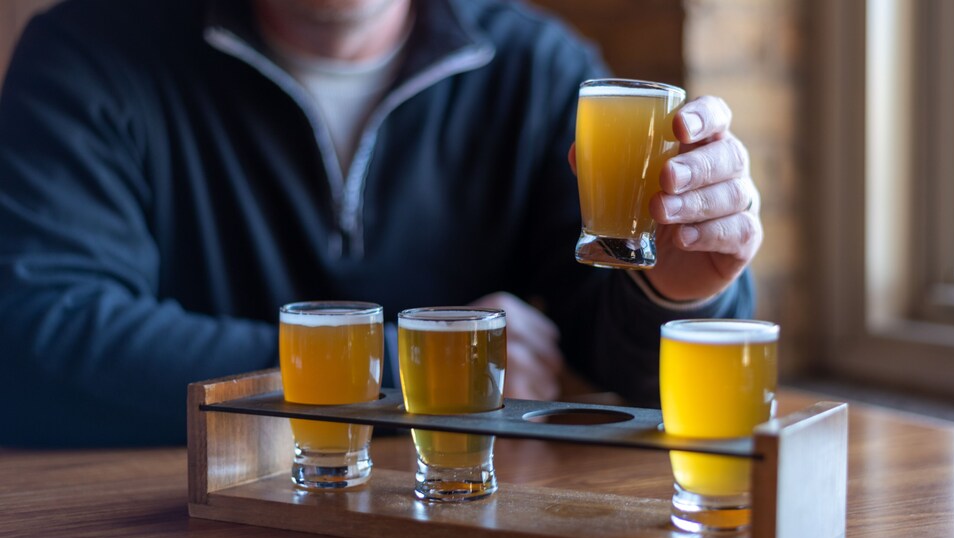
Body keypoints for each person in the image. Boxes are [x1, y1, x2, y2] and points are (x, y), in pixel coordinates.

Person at [0, 0, 762, 447]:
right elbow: (48, 334)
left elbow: (626, 382)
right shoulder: (89, 53)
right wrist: (426, 370)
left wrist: (677, 296)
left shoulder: (538, 68)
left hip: (460, 533)